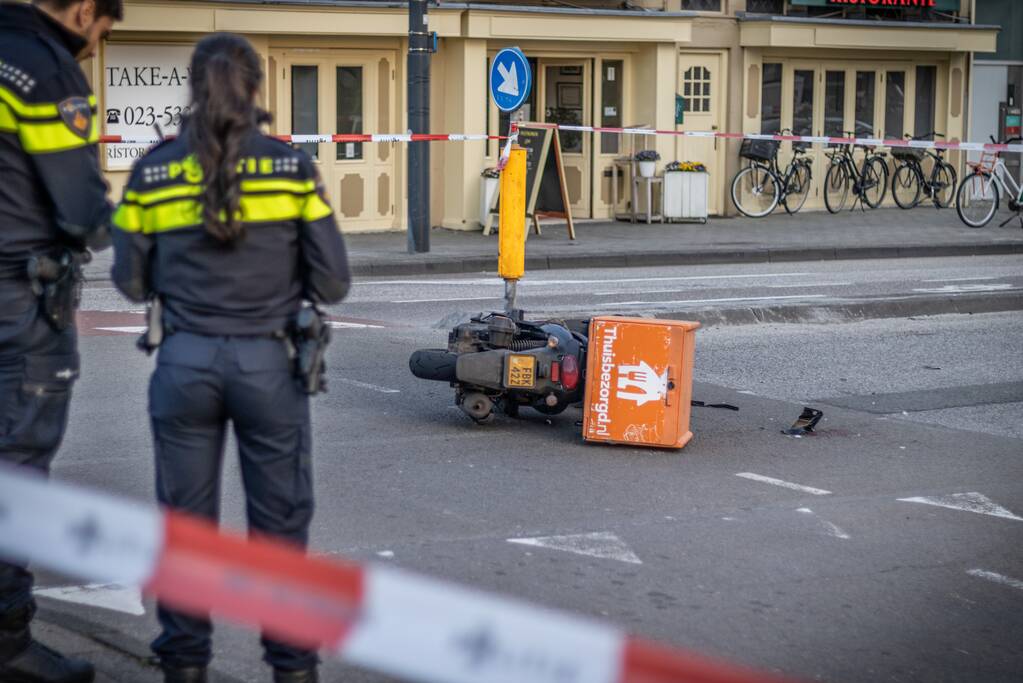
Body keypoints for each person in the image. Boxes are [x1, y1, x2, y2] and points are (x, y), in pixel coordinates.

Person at [110, 33, 350, 683]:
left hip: (183, 366)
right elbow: (333, 283)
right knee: (279, 526)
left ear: (191, 86)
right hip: (270, 368)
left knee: (186, 528)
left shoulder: (152, 170)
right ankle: (292, 668)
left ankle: (184, 665)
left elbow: (130, 282)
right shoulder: (290, 166)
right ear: (255, 87)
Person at [0, 1, 122, 682]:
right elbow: (78, 206)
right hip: (15, 300)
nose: (91, 48)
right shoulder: (41, 68)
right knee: (15, 465)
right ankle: (7, 645)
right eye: (100, 32)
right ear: (83, 9)